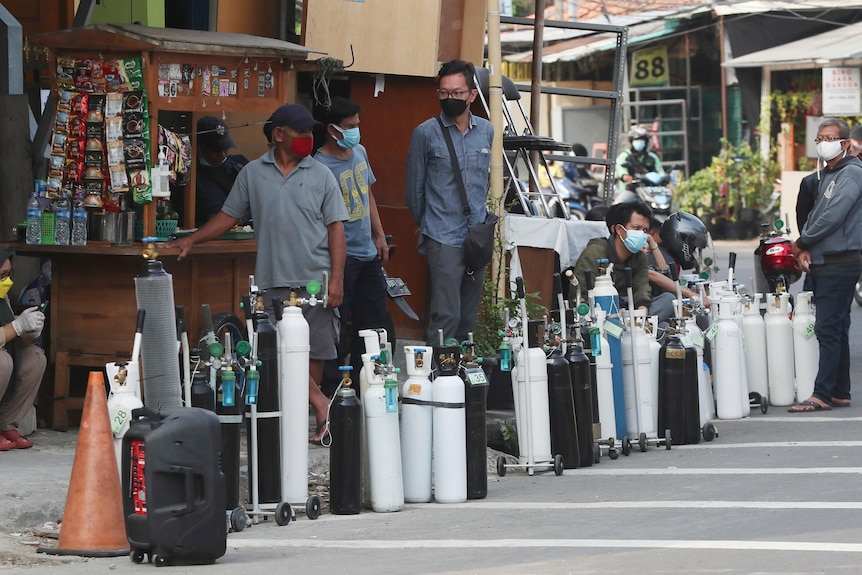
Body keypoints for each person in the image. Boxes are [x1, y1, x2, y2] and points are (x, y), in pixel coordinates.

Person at [166, 104, 348, 442]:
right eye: (301, 133)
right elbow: (228, 216)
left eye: (311, 133)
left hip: (316, 280)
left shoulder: (322, 174)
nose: (308, 139)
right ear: (279, 135)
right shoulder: (251, 173)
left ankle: (309, 420)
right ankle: (321, 404)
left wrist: (336, 279)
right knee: (278, 353)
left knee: (315, 354)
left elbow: (337, 230)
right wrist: (191, 240)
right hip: (272, 280)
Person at [405, 59, 494, 345]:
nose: (450, 99)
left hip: (476, 236)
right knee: (446, 316)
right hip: (442, 236)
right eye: (443, 93)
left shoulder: (487, 131)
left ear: (472, 95)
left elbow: (484, 183)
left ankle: (463, 380)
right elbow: (414, 192)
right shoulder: (426, 133)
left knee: (468, 318)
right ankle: (437, 376)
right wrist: (432, 226)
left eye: (457, 93)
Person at [313, 97, 389, 385]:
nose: (356, 131)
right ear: (332, 130)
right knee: (336, 327)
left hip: (368, 255)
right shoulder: (319, 166)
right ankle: (333, 392)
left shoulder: (360, 152)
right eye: (350, 127)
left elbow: (367, 193)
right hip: (340, 260)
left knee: (372, 325)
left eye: (358, 125)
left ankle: (366, 385)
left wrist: (379, 235)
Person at [789, 118, 862, 412]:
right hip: (826, 259)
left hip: (840, 261)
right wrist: (808, 247)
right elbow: (816, 214)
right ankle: (839, 392)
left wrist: (803, 242)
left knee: (828, 329)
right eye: (819, 139)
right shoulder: (828, 174)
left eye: (830, 138)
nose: (824, 143)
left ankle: (821, 393)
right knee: (837, 326)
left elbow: (832, 217)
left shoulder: (852, 173)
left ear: (845, 144)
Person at [572, 201, 675, 324]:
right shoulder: (594, 253)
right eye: (636, 228)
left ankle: (637, 325)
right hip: (602, 314)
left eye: (645, 230)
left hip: (630, 310)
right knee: (661, 326)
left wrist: (643, 308)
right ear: (619, 229)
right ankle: (637, 326)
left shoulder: (639, 256)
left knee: (669, 299)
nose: (642, 234)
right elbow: (580, 293)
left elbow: (642, 286)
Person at [0, 250, 46, 450]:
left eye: (9, 274)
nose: (6, 280)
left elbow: (14, 341)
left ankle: (6, 425)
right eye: (2, 275)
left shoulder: (3, 298)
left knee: (35, 358)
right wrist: (17, 326)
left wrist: (30, 331)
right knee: (2, 361)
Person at [195, 116, 249, 226]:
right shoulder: (190, 178)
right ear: (200, 147)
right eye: (217, 151)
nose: (223, 154)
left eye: (226, 148)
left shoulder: (240, 165)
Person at [615, 126, 665, 194]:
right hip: (629, 191)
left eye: (642, 140)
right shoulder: (624, 156)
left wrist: (664, 178)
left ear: (646, 142)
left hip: (649, 192)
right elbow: (620, 169)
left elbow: (660, 171)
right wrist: (625, 176)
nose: (639, 142)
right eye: (636, 140)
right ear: (631, 141)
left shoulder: (652, 156)